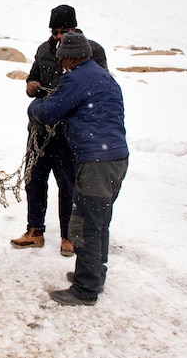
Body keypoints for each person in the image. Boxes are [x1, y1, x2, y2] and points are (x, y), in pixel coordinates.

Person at [28, 31, 129, 306]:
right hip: (117, 157)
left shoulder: (77, 77)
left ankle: (85, 289)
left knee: (87, 222)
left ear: (71, 58)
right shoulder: (104, 76)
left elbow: (49, 112)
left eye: (63, 62)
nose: (62, 67)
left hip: (96, 161)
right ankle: (95, 273)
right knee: (100, 221)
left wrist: (34, 106)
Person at [10, 5, 107, 256]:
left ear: (74, 28)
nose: (57, 36)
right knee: (34, 180)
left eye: (62, 31)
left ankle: (68, 236)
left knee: (68, 184)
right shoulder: (44, 49)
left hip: (69, 133)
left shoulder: (93, 51)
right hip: (40, 130)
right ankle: (35, 231)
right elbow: (32, 79)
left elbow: (98, 87)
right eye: (54, 31)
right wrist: (32, 86)